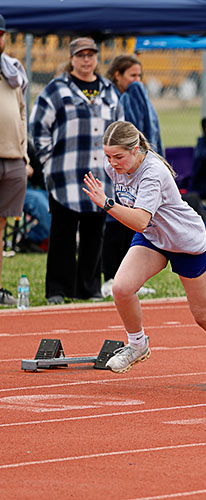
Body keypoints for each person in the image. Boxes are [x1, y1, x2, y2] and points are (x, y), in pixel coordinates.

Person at [81, 121, 206, 388]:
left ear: (135, 149)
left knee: (204, 316)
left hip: (185, 241)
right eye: (108, 156)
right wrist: (110, 202)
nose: (112, 163)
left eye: (118, 156)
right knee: (121, 288)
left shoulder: (153, 172)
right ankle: (137, 345)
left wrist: (106, 203)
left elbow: (139, 220)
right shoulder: (114, 167)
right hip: (154, 238)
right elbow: (142, 223)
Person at [30, 37, 123, 304]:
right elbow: (38, 125)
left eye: (90, 55)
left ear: (96, 58)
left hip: (100, 175)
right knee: (63, 232)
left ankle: (89, 287)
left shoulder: (109, 91)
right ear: (71, 59)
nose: (86, 60)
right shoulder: (56, 89)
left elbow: (120, 128)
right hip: (66, 175)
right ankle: (58, 289)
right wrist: (48, 160)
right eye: (80, 55)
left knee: (95, 231)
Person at [101, 54, 164, 298]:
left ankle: (130, 279)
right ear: (117, 75)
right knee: (114, 223)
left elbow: (148, 131)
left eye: (140, 75)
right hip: (116, 166)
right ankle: (109, 276)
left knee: (132, 223)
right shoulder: (112, 98)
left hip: (135, 165)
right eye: (132, 75)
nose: (137, 81)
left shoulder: (136, 96)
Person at [0, 14, 30, 305]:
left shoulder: (13, 70)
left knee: (1, 227)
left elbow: (22, 112)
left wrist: (24, 155)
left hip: (13, 157)